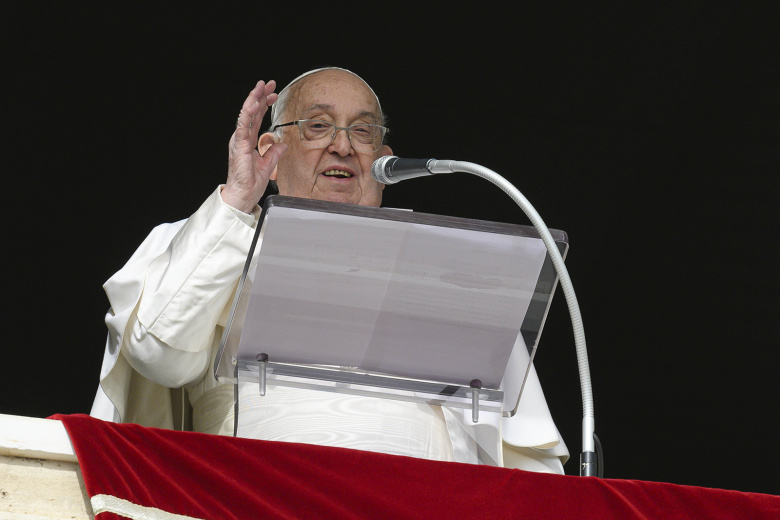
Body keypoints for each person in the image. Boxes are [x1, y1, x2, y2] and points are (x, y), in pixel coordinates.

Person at [90, 67, 569, 472]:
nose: (342, 146)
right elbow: (158, 355)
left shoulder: (449, 269)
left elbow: (527, 460)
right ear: (269, 152)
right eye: (318, 126)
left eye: (362, 131)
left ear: (385, 162)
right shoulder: (212, 237)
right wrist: (236, 202)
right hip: (258, 495)